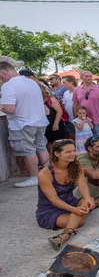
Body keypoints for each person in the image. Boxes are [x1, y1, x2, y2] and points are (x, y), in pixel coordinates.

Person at [36, 140, 97, 251]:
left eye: (74, 150)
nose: (73, 154)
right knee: (80, 219)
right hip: (50, 210)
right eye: (68, 152)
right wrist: (75, 210)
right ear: (56, 154)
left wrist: (87, 198)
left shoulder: (76, 166)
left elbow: (82, 185)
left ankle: (65, 234)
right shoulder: (45, 174)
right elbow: (54, 200)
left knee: (86, 202)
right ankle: (66, 234)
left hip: (70, 201)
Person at [0, 56, 50, 187]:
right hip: (39, 121)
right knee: (41, 147)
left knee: (28, 151)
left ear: (4, 73)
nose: (1, 80)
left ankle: (34, 177)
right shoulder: (32, 82)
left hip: (22, 123)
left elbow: (9, 108)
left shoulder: (8, 86)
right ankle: (47, 174)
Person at [72, 70, 99, 136]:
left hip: (97, 120)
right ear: (81, 78)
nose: (89, 78)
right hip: (82, 120)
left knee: (98, 140)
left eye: (90, 76)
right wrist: (76, 117)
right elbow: (75, 104)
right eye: (86, 76)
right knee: (85, 140)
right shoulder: (77, 89)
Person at [41, 83, 67, 154]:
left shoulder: (50, 99)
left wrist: (56, 123)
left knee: (57, 143)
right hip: (45, 125)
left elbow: (59, 111)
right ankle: (52, 159)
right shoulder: (35, 100)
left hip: (55, 124)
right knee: (49, 143)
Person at [61, 75, 77, 140]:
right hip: (68, 116)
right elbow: (64, 104)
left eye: (64, 83)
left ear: (71, 82)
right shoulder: (65, 93)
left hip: (76, 115)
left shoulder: (78, 91)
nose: (63, 85)